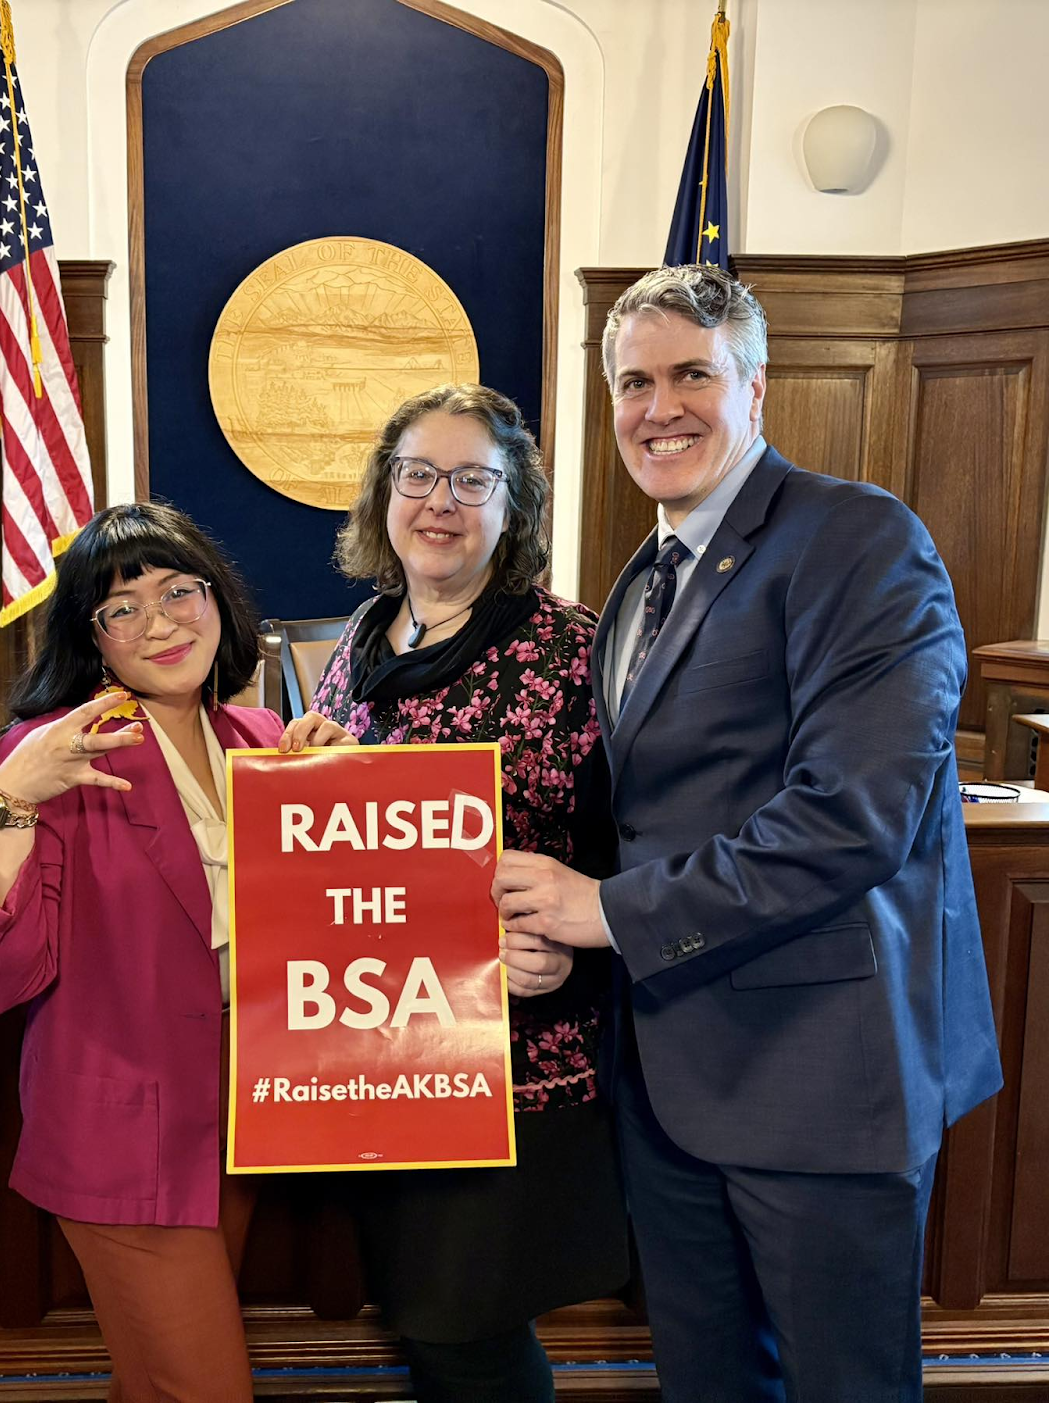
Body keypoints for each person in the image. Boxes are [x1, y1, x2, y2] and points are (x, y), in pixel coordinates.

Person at [492, 265, 1003, 1403]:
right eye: (633, 380)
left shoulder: (856, 540)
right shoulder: (639, 576)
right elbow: (650, 810)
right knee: (708, 1383)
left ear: (755, 388)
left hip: (820, 1074)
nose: (657, 406)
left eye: (690, 374)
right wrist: (554, 922)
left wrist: (603, 911)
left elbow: (851, 816)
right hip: (670, 1078)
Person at [284, 384, 629, 1403]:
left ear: (513, 504)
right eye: (418, 475)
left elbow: (638, 845)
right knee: (424, 1318)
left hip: (514, 1059)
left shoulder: (573, 648)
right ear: (383, 496)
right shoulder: (360, 636)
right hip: (378, 1054)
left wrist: (575, 940)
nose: (439, 501)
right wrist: (309, 768)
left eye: (471, 480)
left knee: (465, 1323)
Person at [0, 501, 282, 1403]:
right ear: (93, 641)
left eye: (180, 590)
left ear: (220, 603)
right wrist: (8, 800)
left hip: (241, 1119)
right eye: (122, 607)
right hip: (120, 1134)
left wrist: (337, 779)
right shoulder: (54, 754)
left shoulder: (264, 742)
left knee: (157, 1382)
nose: (162, 621)